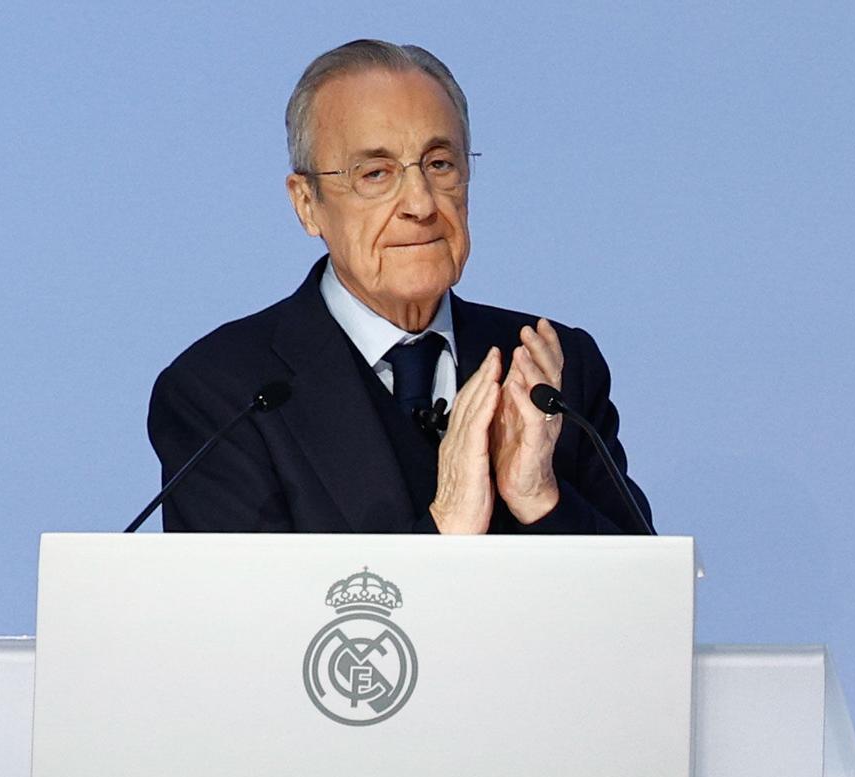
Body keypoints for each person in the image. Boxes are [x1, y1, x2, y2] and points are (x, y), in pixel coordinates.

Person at [147, 39, 652, 535]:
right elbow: (250, 615)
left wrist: (539, 498)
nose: (421, 204)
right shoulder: (224, 392)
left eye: (440, 165)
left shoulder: (554, 368)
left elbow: (647, 602)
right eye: (375, 174)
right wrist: (445, 525)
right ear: (307, 203)